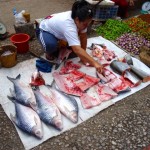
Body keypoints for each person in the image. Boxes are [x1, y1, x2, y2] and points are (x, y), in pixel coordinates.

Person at [38, 0, 103, 73]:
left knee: (77, 49)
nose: (86, 26)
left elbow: (83, 37)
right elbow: (77, 49)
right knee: (51, 45)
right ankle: (48, 52)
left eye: (88, 24)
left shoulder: (81, 18)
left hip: (59, 29)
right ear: (77, 20)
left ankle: (60, 41)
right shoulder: (68, 25)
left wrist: (83, 57)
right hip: (45, 29)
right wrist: (95, 63)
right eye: (85, 24)